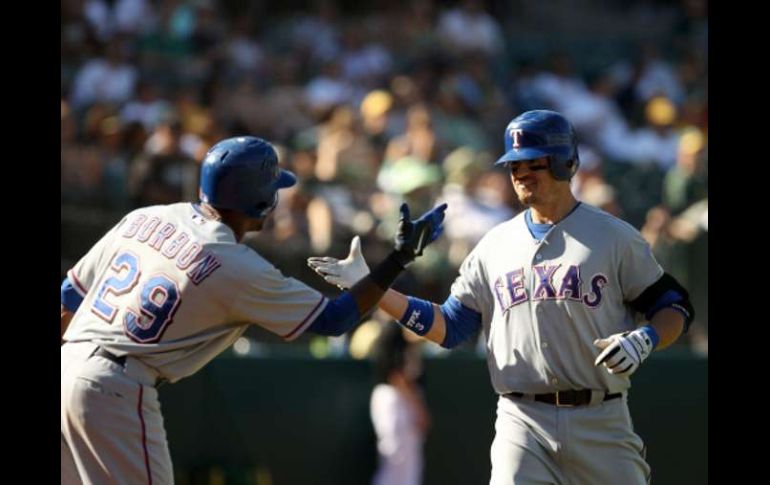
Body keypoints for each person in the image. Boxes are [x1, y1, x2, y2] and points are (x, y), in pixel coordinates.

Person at [308, 110, 694, 485]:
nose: (521, 173)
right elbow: (452, 327)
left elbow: (674, 306)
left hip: (601, 417)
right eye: (513, 165)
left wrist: (646, 339)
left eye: (533, 162)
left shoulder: (614, 236)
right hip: (521, 419)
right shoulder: (494, 244)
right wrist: (374, 290)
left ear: (565, 164)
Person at [60, 135, 448, 484]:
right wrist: (397, 259)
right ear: (264, 201)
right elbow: (334, 320)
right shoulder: (236, 265)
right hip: (114, 389)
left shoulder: (146, 217)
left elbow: (68, 298)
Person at [370, 324, 430, 485]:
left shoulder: (410, 347)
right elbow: (396, 376)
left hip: (401, 400)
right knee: (396, 459)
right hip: (394, 401)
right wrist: (418, 408)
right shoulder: (393, 342)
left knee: (410, 465)